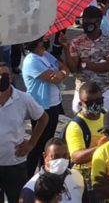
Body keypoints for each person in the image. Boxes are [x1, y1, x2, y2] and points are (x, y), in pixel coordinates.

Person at [0, 62, 49, 203]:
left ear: (11, 78)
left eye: (4, 75)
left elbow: (43, 118)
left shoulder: (23, 98)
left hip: (15, 164)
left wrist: (31, 144)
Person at [21, 36, 67, 176]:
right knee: (39, 144)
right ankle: (29, 177)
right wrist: (61, 74)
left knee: (48, 141)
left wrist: (61, 73)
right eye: (43, 39)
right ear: (36, 43)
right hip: (42, 107)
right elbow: (54, 78)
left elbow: (64, 69)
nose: (46, 40)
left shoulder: (45, 55)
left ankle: (45, 172)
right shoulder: (32, 60)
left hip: (54, 104)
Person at [66, 6, 109, 113]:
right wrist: (65, 48)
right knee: (81, 125)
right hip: (82, 93)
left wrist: (85, 64)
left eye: (88, 20)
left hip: (103, 92)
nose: (85, 23)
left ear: (98, 21)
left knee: (102, 125)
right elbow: (74, 69)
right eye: (83, 20)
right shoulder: (76, 42)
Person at [20, 138, 84, 203]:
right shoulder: (31, 188)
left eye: (65, 156)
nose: (61, 160)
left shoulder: (78, 177)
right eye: (56, 157)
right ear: (44, 156)